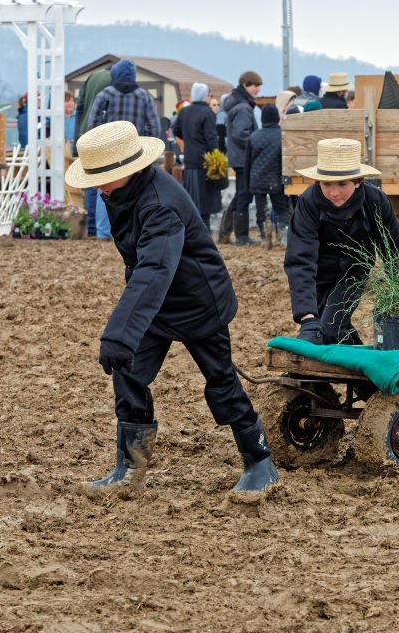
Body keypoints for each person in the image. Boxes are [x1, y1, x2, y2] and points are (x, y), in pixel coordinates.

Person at [64, 121, 279, 493]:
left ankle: (260, 462)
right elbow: (144, 271)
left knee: (221, 380)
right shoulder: (121, 193)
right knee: (127, 371)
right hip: (158, 305)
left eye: (103, 178)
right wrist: (125, 340)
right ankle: (129, 470)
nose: (97, 186)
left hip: (200, 301)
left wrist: (119, 332)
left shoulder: (160, 205)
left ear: (128, 169)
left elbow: (153, 270)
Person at [285, 138, 399, 345]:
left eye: (342, 184)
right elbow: (300, 260)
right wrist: (306, 317)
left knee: (329, 327)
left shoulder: (375, 201)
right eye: (326, 184)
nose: (334, 193)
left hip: (354, 271)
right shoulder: (308, 204)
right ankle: (357, 370)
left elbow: (396, 249)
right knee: (322, 330)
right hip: (319, 273)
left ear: (358, 181)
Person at [87, 59, 162, 240]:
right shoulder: (144, 96)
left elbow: (93, 125)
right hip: (133, 153)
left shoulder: (104, 95)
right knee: (134, 191)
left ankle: (103, 232)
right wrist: (147, 150)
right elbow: (155, 126)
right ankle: (131, 231)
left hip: (108, 151)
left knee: (104, 189)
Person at [219, 71, 266, 245]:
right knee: (244, 196)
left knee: (241, 195)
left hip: (238, 158)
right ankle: (241, 236)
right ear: (245, 85)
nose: (258, 89)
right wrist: (256, 144)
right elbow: (241, 134)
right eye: (255, 85)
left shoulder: (239, 104)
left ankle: (225, 232)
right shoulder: (243, 107)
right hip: (244, 158)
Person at [173, 82, 222, 228]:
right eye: (209, 95)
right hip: (204, 164)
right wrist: (217, 158)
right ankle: (204, 232)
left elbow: (176, 131)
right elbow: (211, 139)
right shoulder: (208, 113)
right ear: (205, 96)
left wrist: (188, 142)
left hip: (189, 163)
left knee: (192, 203)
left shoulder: (185, 111)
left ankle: (192, 232)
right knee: (205, 204)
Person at [74, 67, 113, 237]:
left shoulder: (91, 77)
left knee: (91, 183)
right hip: (100, 135)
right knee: (103, 183)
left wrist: (77, 135)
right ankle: (101, 229)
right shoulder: (113, 81)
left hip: (84, 134)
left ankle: (91, 228)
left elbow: (79, 107)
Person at [246, 104, 291, 246]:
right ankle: (284, 236)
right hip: (276, 179)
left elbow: (247, 162)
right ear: (277, 118)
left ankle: (266, 236)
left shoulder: (253, 136)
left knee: (261, 209)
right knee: (282, 208)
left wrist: (248, 182)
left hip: (257, 179)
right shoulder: (282, 136)